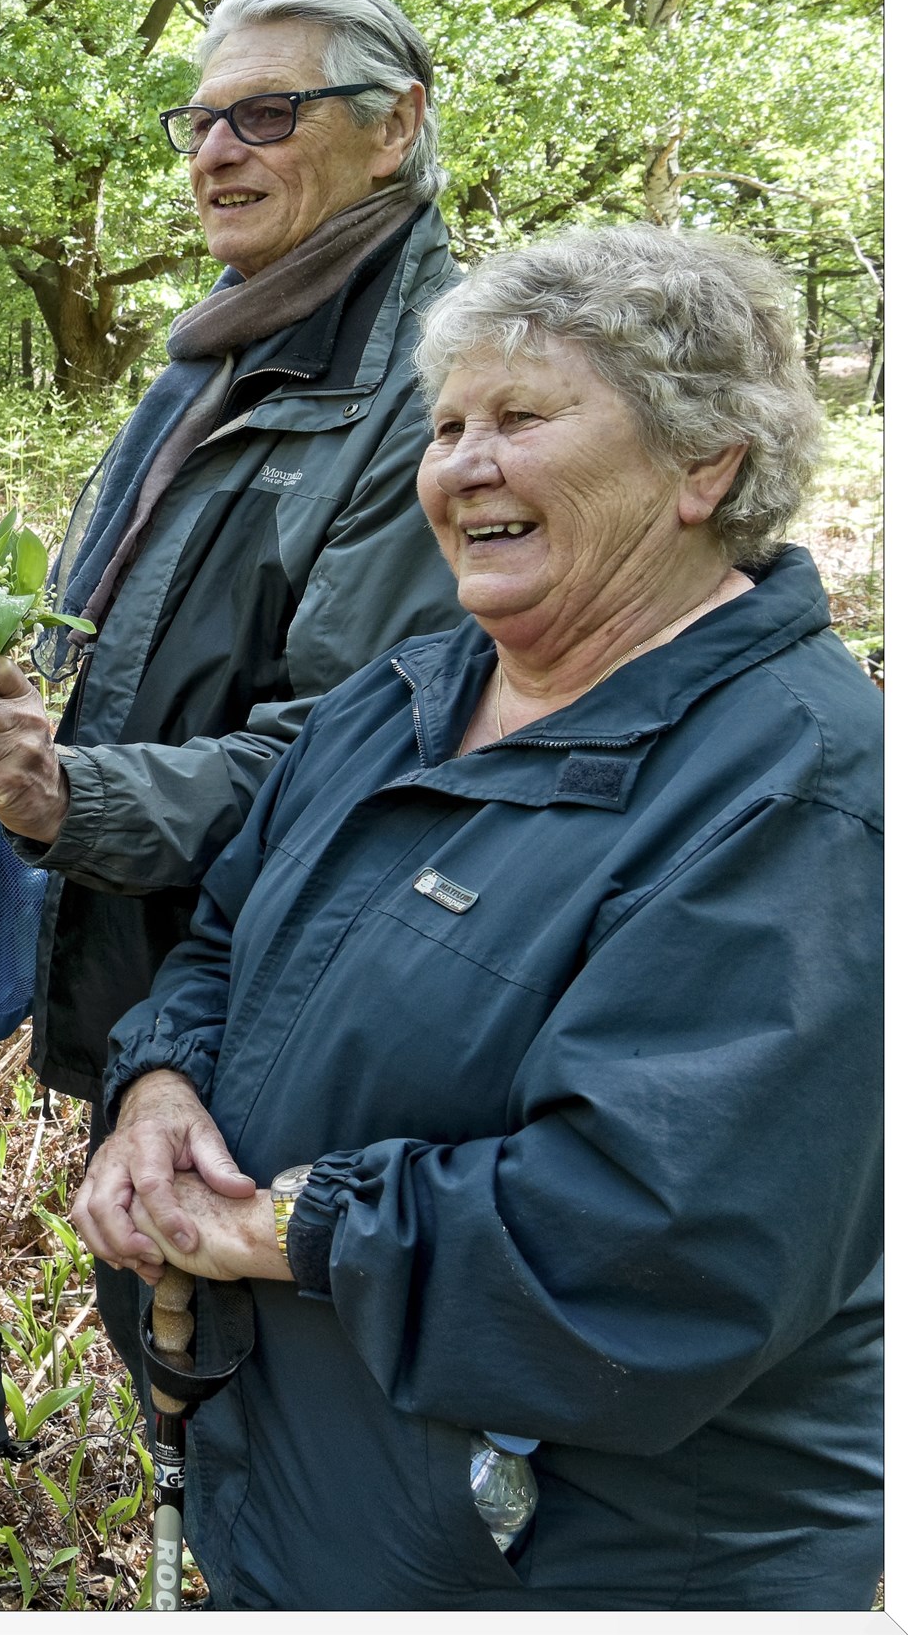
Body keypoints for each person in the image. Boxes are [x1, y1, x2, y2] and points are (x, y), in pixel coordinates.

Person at [72, 225, 878, 1608]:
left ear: (706, 464)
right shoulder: (402, 697)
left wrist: (278, 1226)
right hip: (315, 1499)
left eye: (522, 418)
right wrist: (157, 1088)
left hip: (583, 1559)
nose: (461, 464)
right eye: (447, 426)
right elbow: (221, 944)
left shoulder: (800, 791)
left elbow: (656, 1250)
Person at [0, 0, 467, 1387]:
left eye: (269, 113)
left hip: (284, 995)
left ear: (395, 127)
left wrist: (74, 797)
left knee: (269, 1400)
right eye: (201, 121)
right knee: (184, 1384)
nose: (216, 152)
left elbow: (355, 753)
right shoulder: (217, 351)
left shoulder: (432, 383)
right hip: (161, 967)